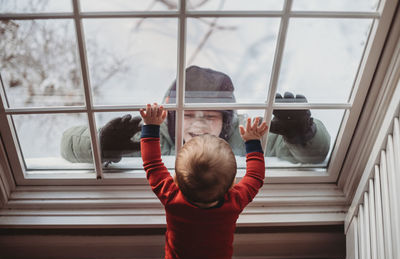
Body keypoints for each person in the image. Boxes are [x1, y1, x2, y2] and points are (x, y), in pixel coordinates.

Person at [60, 65, 331, 165]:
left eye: (211, 117)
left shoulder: (245, 139)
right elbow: (67, 143)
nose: (198, 125)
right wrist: (100, 143)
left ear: (226, 123)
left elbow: (315, 156)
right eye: (189, 115)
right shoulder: (152, 137)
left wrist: (304, 135)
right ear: (172, 119)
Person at [140, 102, 268, 259]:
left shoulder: (171, 197)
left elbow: (152, 164)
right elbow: (256, 177)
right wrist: (253, 141)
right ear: (231, 185)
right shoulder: (234, 203)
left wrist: (150, 126)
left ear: (176, 180)